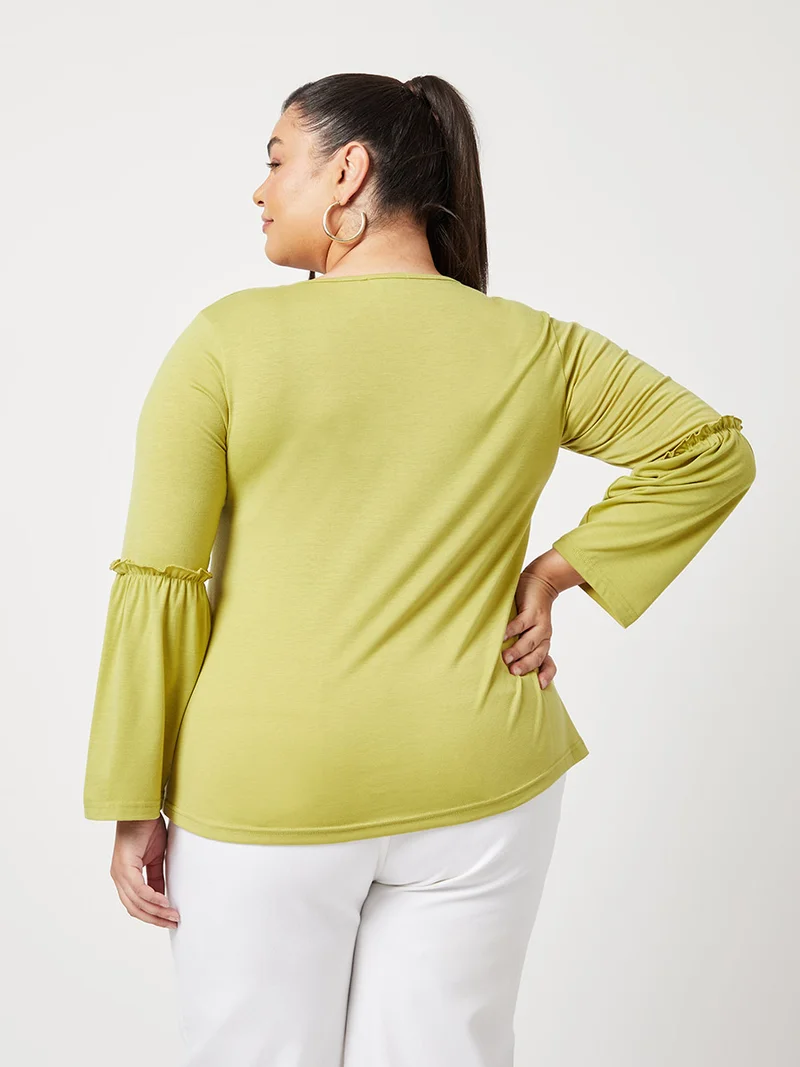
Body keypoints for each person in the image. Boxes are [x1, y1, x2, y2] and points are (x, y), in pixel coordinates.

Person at [82, 72, 756, 1066]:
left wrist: (133, 791)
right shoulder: (534, 345)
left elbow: (161, 581)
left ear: (347, 170)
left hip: (271, 786)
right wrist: (558, 571)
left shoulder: (225, 341)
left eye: (276, 160)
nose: (259, 190)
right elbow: (709, 450)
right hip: (482, 775)